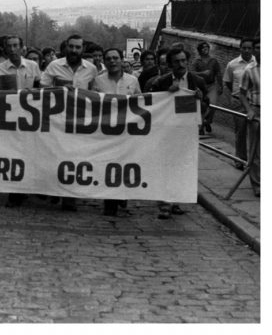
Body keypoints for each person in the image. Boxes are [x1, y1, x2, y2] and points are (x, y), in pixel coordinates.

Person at [148, 47, 208, 219]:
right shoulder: (162, 82)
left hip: (186, 134)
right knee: (165, 167)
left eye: (183, 61)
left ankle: (176, 201)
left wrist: (200, 99)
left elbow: (206, 108)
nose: (181, 64)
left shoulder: (197, 81)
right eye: (177, 61)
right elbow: (153, 105)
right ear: (170, 64)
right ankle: (164, 204)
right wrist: (166, 94)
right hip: (165, 132)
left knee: (181, 168)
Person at [41, 34, 97, 211]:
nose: (74, 50)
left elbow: (96, 95)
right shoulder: (54, 66)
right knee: (56, 156)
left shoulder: (91, 69)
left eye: (78, 47)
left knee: (76, 158)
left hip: (81, 122)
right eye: (71, 47)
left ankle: (69, 196)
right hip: (57, 121)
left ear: (83, 49)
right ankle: (56, 190)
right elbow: (41, 90)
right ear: (66, 47)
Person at [0, 35, 41, 208]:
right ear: (4, 49)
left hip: (30, 118)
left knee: (30, 153)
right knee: (13, 154)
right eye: (9, 46)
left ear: (22, 48)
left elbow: (39, 89)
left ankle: (29, 187)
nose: (12, 49)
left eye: (15, 46)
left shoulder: (33, 66)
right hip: (10, 117)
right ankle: (15, 191)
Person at [93, 48, 142, 216]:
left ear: (121, 60)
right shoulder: (98, 81)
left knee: (125, 164)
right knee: (108, 165)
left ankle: (122, 194)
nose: (112, 61)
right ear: (104, 62)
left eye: (115, 58)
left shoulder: (133, 80)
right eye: (108, 58)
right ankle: (110, 203)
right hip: (106, 131)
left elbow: (140, 102)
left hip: (127, 132)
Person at [222, 38, 256, 170]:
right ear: (240, 48)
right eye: (244, 48)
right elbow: (228, 82)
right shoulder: (232, 65)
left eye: (249, 48)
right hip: (238, 102)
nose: (247, 50)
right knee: (240, 131)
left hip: (254, 103)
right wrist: (238, 96)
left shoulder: (259, 63)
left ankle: (255, 161)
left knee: (256, 132)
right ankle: (240, 159)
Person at [238, 39, 260, 197]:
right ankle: (257, 184)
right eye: (258, 48)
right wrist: (249, 110)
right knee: (256, 151)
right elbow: (242, 94)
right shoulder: (249, 70)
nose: (260, 51)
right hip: (257, 111)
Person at [191, 42, 222, 134]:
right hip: (200, 86)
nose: (206, 49)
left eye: (207, 47)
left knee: (212, 105)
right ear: (200, 50)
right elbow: (192, 73)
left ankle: (206, 122)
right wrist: (203, 73)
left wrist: (220, 85)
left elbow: (218, 73)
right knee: (202, 106)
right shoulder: (196, 61)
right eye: (203, 48)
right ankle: (201, 126)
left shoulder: (213, 61)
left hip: (211, 85)